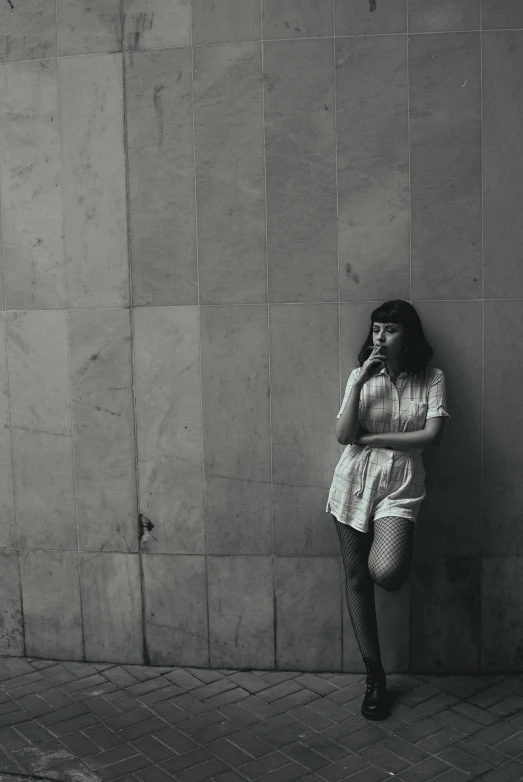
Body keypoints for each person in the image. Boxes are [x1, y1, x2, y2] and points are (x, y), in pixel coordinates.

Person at [326, 300, 451, 720]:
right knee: (357, 577)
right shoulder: (358, 376)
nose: (381, 337)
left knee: (387, 571)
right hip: (353, 483)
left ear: (408, 335)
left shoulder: (431, 377)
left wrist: (375, 439)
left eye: (391, 330)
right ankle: (374, 675)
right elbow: (345, 435)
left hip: (399, 487)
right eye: (376, 329)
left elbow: (431, 436)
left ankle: (376, 671)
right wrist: (360, 382)